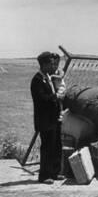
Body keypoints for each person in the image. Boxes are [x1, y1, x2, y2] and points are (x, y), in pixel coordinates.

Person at [30, 51, 66, 184]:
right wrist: (55, 97)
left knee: (56, 145)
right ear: (44, 64)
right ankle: (44, 175)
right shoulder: (37, 80)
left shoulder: (48, 77)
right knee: (47, 147)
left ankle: (55, 172)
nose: (53, 66)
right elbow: (41, 99)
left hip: (54, 118)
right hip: (45, 120)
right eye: (51, 64)